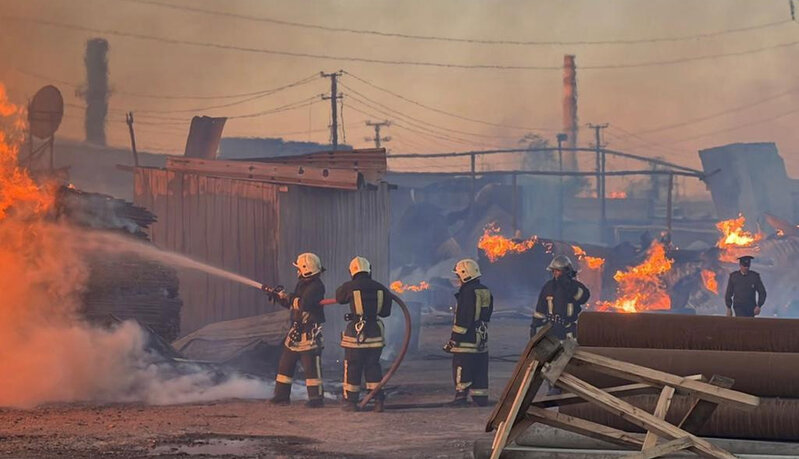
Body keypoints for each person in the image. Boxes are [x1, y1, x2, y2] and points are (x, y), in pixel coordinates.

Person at [335, 256, 393, 412]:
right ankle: (377, 400)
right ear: (369, 270)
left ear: (352, 271)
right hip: (375, 333)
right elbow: (386, 312)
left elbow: (339, 298)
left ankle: (351, 402)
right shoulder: (382, 289)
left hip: (356, 334)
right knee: (373, 366)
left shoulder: (349, 287)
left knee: (353, 366)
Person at [269, 252, 326, 408]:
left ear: (305, 269)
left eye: (299, 269)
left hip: (309, 333)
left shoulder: (316, 287)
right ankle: (281, 397)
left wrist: (288, 297)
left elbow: (304, 304)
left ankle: (316, 399)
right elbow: (293, 304)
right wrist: (280, 298)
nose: (297, 272)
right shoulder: (302, 284)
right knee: (285, 365)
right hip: (296, 332)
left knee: (311, 368)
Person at [443, 259, 493, 407]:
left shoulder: (466, 292)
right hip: (481, 337)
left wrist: (453, 340)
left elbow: (463, 318)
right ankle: (480, 397)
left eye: (458, 276)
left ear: (466, 275)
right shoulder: (485, 290)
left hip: (466, 340)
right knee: (480, 368)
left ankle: (460, 397)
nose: (457, 279)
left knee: (462, 366)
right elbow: (487, 313)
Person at [531, 255, 590, 340]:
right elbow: (540, 309)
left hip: (568, 331)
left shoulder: (574, 286)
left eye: (558, 270)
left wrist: (571, 288)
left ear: (566, 271)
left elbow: (584, 298)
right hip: (551, 330)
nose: (555, 273)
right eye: (553, 270)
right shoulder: (548, 287)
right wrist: (534, 326)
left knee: (569, 352)